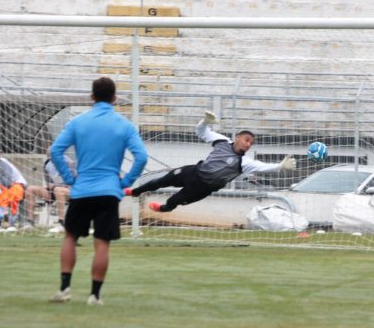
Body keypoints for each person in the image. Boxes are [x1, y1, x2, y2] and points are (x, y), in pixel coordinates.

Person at [49, 77, 148, 306]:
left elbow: (56, 151)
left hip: (82, 189)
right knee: (102, 242)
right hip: (109, 191)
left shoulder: (78, 122)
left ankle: (64, 288)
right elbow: (141, 157)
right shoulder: (124, 125)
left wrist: (69, 177)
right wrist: (126, 181)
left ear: (92, 97)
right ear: (114, 98)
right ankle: (95, 295)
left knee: (70, 236)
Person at [125, 111, 296, 212]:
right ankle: (135, 192)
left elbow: (264, 167)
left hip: (203, 188)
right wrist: (205, 121)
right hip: (193, 172)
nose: (249, 144)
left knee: (174, 201)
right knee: (161, 180)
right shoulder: (221, 141)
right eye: (246, 140)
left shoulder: (244, 162)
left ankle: (162, 209)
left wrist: (280, 166)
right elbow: (200, 131)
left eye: (251, 143)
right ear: (237, 138)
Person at [25, 147, 75, 233]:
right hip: (54, 191)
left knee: (58, 190)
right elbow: (49, 182)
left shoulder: (67, 161)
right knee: (30, 189)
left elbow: (76, 179)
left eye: (50, 150)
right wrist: (50, 186)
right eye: (47, 150)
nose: (47, 152)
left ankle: (61, 223)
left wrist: (59, 185)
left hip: (71, 191)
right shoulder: (47, 164)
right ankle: (30, 222)